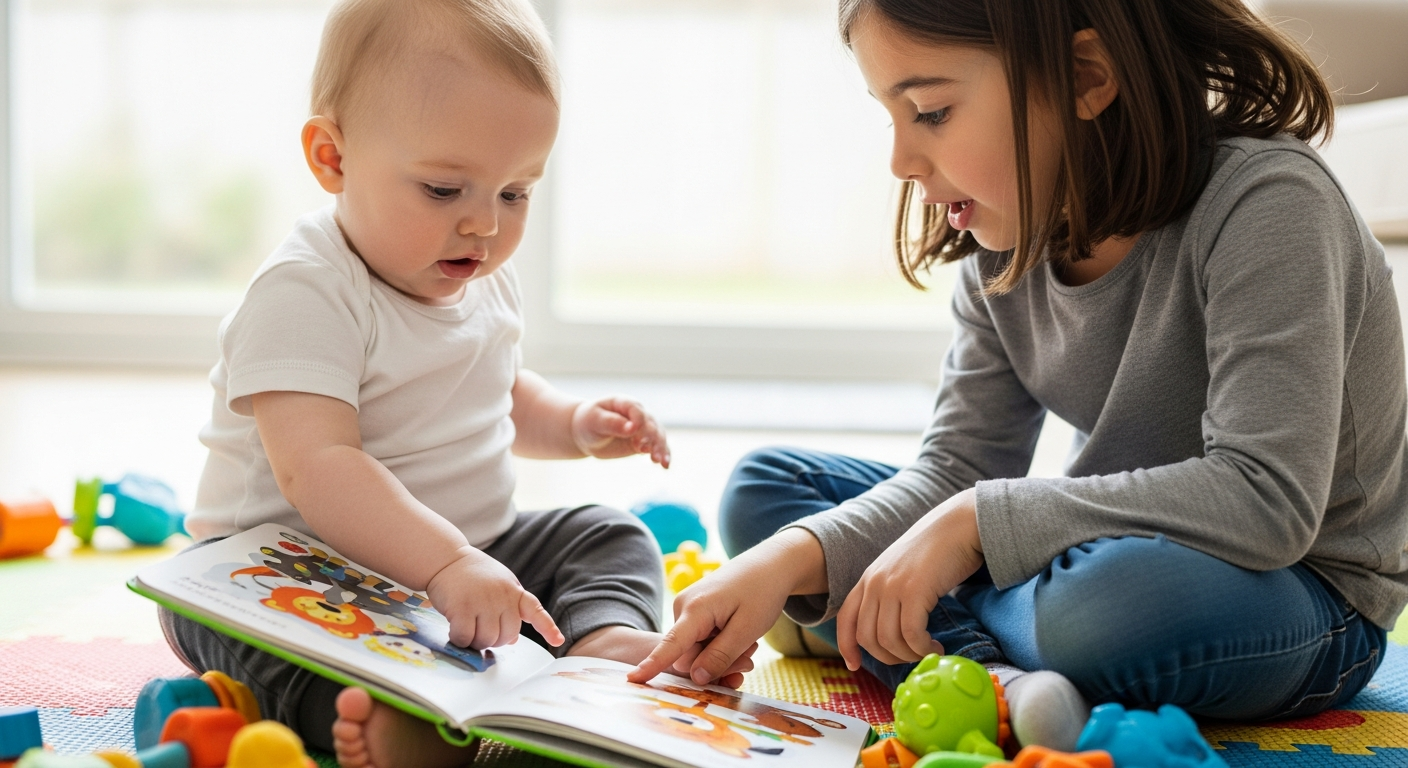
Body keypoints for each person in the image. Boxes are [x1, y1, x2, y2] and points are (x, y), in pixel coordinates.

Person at [631, 0, 1408, 752]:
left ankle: (881, 627)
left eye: (929, 111)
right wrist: (792, 556)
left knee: (1100, 609)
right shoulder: (1005, 237)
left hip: (1299, 592)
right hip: (1097, 551)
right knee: (769, 496)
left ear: (1085, 77)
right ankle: (993, 672)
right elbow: (958, 467)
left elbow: (1266, 500)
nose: (900, 161)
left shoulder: (1269, 203)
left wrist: (967, 526)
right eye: (889, 115)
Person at [159, 1, 751, 766]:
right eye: (445, 191)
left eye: (515, 193)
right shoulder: (305, 292)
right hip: (289, 570)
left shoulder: (477, 278)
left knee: (608, 531)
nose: (484, 227)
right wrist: (445, 565)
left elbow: (499, 395)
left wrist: (574, 424)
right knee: (248, 631)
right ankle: (395, 724)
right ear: (332, 158)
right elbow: (319, 468)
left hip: (471, 553)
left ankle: (603, 645)